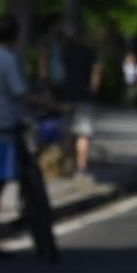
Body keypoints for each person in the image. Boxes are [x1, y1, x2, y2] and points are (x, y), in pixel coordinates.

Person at [0, 17, 43, 258]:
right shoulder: (7, 58)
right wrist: (52, 105)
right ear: (15, 36)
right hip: (0, 129)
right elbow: (21, 92)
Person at [47, 25, 101, 175]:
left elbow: (55, 73)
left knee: (68, 133)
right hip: (85, 97)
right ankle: (82, 167)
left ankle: (66, 165)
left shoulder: (65, 53)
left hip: (67, 96)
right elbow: (96, 75)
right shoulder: (90, 53)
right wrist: (93, 90)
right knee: (84, 134)